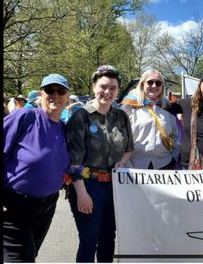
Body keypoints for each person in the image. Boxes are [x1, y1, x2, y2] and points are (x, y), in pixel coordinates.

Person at [65, 65, 134, 262]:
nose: (107, 92)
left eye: (113, 88)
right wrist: (81, 193)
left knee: (108, 239)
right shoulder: (80, 116)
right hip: (88, 185)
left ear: (118, 91)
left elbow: (129, 147)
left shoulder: (121, 116)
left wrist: (122, 161)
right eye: (103, 86)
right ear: (94, 86)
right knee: (89, 240)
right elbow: (73, 159)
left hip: (115, 186)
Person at [3, 73, 72, 262]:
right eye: (50, 90)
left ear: (68, 96)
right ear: (41, 94)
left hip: (46, 207)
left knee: (30, 255)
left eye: (61, 91)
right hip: (15, 206)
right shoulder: (24, 117)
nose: (55, 95)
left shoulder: (64, 129)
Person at [119, 69, 181, 170]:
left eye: (158, 83)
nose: (154, 86)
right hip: (135, 165)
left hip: (164, 165)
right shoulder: (129, 107)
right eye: (150, 82)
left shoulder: (168, 109)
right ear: (142, 84)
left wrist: (174, 157)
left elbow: (175, 136)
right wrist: (124, 162)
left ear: (162, 87)